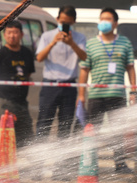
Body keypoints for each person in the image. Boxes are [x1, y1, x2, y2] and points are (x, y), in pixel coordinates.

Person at [77, 7, 136, 174]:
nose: (103, 22)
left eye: (108, 19)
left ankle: (120, 164)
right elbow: (84, 70)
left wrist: (133, 92)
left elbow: (130, 68)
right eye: (101, 19)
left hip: (117, 95)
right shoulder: (91, 43)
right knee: (91, 130)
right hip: (95, 95)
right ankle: (89, 164)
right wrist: (81, 95)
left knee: (117, 132)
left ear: (115, 23)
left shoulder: (125, 42)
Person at [35, 5, 87, 140]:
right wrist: (53, 43)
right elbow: (39, 58)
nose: (65, 26)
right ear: (58, 19)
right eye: (63, 22)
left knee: (66, 123)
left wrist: (72, 44)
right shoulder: (47, 36)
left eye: (68, 23)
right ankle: (40, 153)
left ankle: (61, 159)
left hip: (69, 85)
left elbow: (84, 57)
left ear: (74, 22)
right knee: (44, 121)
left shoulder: (79, 37)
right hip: (50, 85)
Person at [0, 20, 35, 149]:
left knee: (26, 135)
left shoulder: (27, 53)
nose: (12, 36)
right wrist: (1, 92)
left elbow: (28, 74)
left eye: (15, 33)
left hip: (22, 102)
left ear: (21, 35)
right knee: (4, 135)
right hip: (4, 102)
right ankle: (1, 164)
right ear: (5, 35)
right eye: (9, 33)